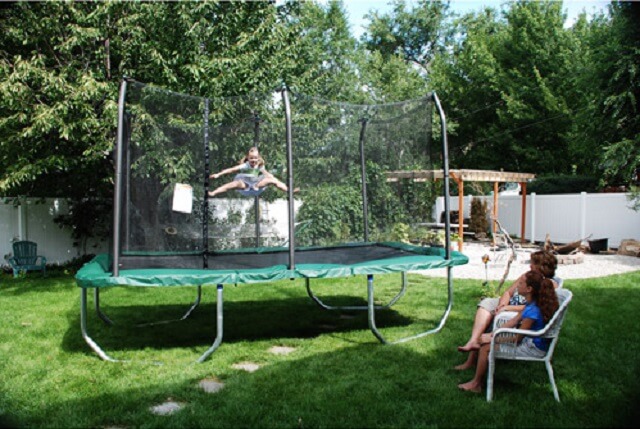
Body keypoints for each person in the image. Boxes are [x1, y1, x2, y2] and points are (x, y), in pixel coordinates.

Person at [454, 250, 560, 370]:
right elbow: (508, 292)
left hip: (516, 309)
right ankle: (473, 341)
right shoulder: (528, 275)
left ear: (542, 266)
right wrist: (502, 304)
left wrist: (507, 308)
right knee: (486, 304)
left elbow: (537, 306)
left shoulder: (546, 284)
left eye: (533, 263)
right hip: (509, 304)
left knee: (494, 317)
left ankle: (476, 356)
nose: (530, 265)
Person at [457, 269, 560, 393]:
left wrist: (493, 339)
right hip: (527, 340)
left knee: (485, 347)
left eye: (521, 283)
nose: (518, 285)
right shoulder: (530, 303)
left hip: (533, 348)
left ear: (529, 289)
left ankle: (476, 384)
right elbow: (513, 321)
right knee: (485, 341)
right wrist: (492, 334)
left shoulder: (532, 311)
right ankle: (476, 377)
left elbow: (517, 339)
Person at [208, 147, 298, 197]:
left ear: (258, 158)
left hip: (257, 186)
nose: (253, 160)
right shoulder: (245, 166)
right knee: (233, 184)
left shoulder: (260, 165)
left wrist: (271, 177)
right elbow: (231, 170)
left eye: (255, 158)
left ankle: (290, 191)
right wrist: (218, 174)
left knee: (272, 180)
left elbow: (266, 175)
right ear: (248, 158)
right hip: (245, 186)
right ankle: (213, 193)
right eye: (251, 158)